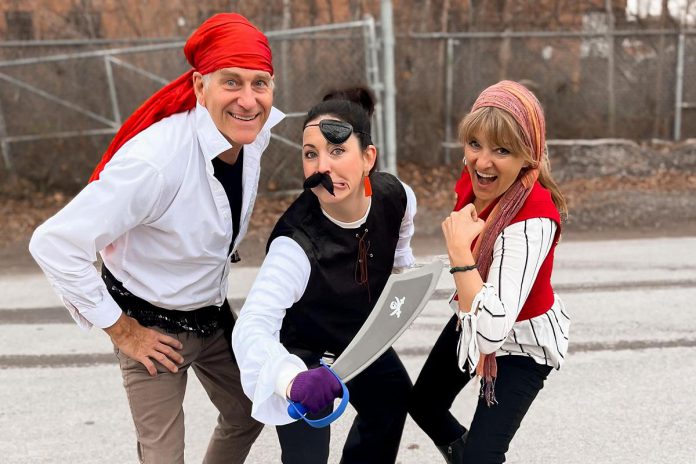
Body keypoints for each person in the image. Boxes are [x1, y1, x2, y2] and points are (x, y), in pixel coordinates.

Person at [28, 13, 283, 464]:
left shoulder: (252, 138)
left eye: (259, 83)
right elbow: (54, 244)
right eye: (232, 82)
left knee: (249, 411)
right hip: (151, 326)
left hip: (212, 314)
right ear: (200, 87)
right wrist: (123, 331)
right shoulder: (156, 161)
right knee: (164, 458)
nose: (248, 100)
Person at [231, 87, 417, 464]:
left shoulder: (397, 197)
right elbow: (251, 325)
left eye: (337, 151)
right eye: (311, 154)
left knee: (392, 398)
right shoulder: (295, 244)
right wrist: (291, 379)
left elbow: (400, 254)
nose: (322, 168)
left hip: (357, 336)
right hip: (303, 354)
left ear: (368, 158)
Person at [408, 80, 570, 463]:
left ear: (528, 157)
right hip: (477, 311)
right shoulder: (477, 178)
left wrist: (460, 253)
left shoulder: (533, 221)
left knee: (483, 456)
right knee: (425, 404)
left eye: (502, 150)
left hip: (521, 342)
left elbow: (493, 331)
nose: (482, 161)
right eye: (475, 144)